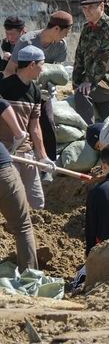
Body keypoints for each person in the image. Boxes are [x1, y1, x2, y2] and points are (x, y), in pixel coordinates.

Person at [4, 11, 73, 162]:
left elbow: (58, 71)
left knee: (47, 123)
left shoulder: (60, 45)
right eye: (66, 32)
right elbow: (9, 70)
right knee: (19, 127)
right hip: (20, 92)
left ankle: (48, 164)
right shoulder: (27, 41)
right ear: (56, 29)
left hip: (43, 93)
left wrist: (50, 85)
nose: (66, 36)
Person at [0, 46, 50, 209]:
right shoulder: (4, 87)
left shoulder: (35, 91)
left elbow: (35, 127)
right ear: (32, 64)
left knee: (37, 203)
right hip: (7, 154)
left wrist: (42, 156)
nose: (43, 69)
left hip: (26, 154)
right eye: (42, 64)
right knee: (13, 204)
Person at [71, 0, 109, 125]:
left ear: (101, 6)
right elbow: (79, 56)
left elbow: (106, 58)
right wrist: (77, 81)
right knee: (80, 93)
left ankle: (90, 132)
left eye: (90, 7)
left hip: (107, 79)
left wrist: (89, 81)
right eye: (84, 8)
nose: (86, 11)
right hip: (92, 80)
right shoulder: (87, 29)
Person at [0, 97, 37, 271]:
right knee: (23, 228)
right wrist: (18, 133)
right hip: (4, 172)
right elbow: (3, 105)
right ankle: (29, 277)